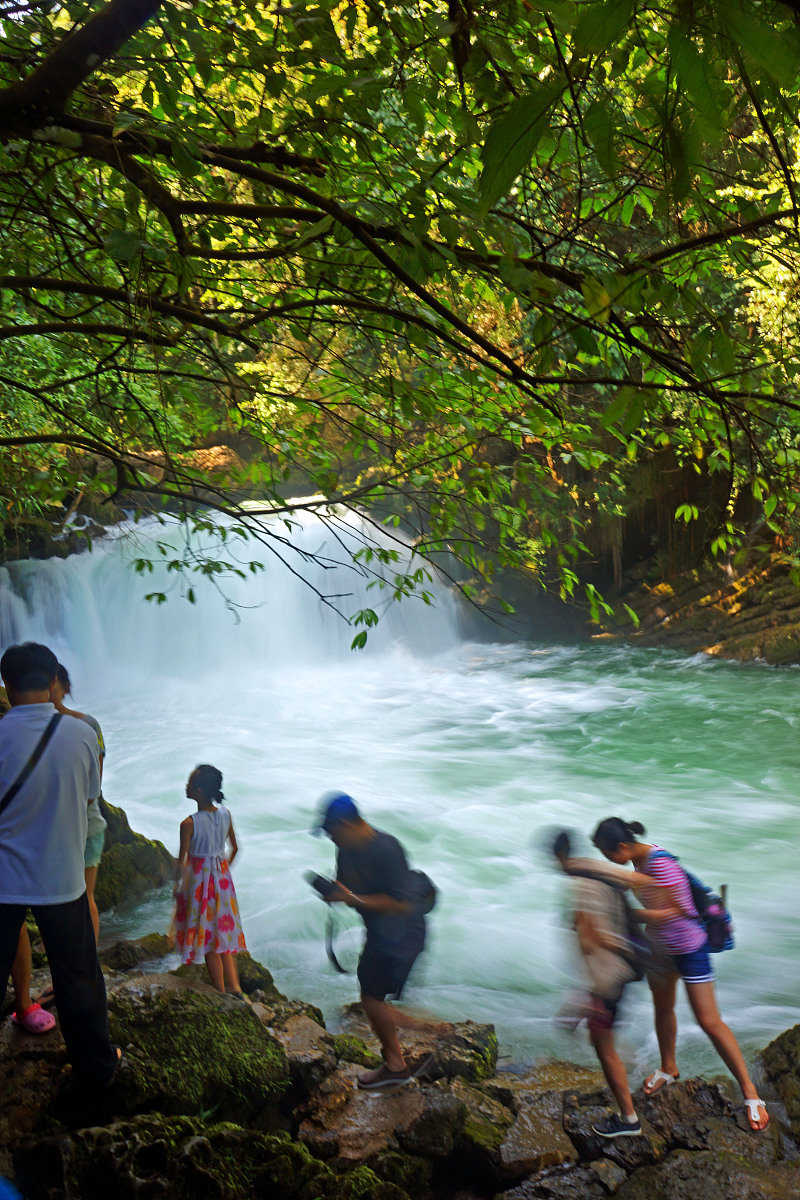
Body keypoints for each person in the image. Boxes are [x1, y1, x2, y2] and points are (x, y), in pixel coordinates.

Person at [591, 817, 769, 1133]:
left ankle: (751, 1095)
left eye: (608, 854)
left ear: (621, 846)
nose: (607, 860)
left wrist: (629, 915)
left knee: (708, 1020)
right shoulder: (637, 861)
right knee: (663, 1008)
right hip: (660, 951)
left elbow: (678, 911)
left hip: (689, 950)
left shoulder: (660, 864)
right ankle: (668, 1067)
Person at [0, 642, 119, 1085]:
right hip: (63, 880)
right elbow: (89, 799)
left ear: (6, 685)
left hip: (4, 880)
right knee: (79, 980)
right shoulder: (83, 734)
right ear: (53, 683)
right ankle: (97, 1070)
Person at [314, 792, 433, 1090]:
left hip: (405, 932)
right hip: (382, 933)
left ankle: (397, 1065)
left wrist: (352, 898)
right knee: (374, 995)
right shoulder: (346, 849)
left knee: (372, 997)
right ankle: (418, 1043)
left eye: (331, 831)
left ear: (345, 824)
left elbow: (403, 904)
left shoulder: (387, 848)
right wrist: (336, 893)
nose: (330, 838)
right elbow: (350, 890)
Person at [551, 830, 643, 1138]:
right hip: (621, 970)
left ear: (558, 856)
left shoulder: (582, 883)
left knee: (604, 1048)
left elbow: (593, 938)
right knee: (600, 1040)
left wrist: (593, 994)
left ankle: (629, 1119)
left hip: (609, 976)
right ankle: (633, 1069)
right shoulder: (594, 872)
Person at [173, 764, 246, 995]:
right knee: (222, 934)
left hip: (199, 886)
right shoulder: (225, 814)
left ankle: (220, 991)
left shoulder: (189, 824)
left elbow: (182, 861)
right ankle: (235, 988)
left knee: (208, 939)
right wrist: (223, 870)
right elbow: (235, 848)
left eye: (191, 783)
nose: (186, 785)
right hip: (222, 882)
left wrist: (178, 886)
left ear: (200, 791)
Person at [50, 663, 107, 942]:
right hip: (60, 827)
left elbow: (95, 784)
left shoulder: (87, 725)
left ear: (65, 687)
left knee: (84, 896)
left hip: (86, 826)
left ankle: (89, 965)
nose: (49, 690)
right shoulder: (31, 727)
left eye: (54, 684)